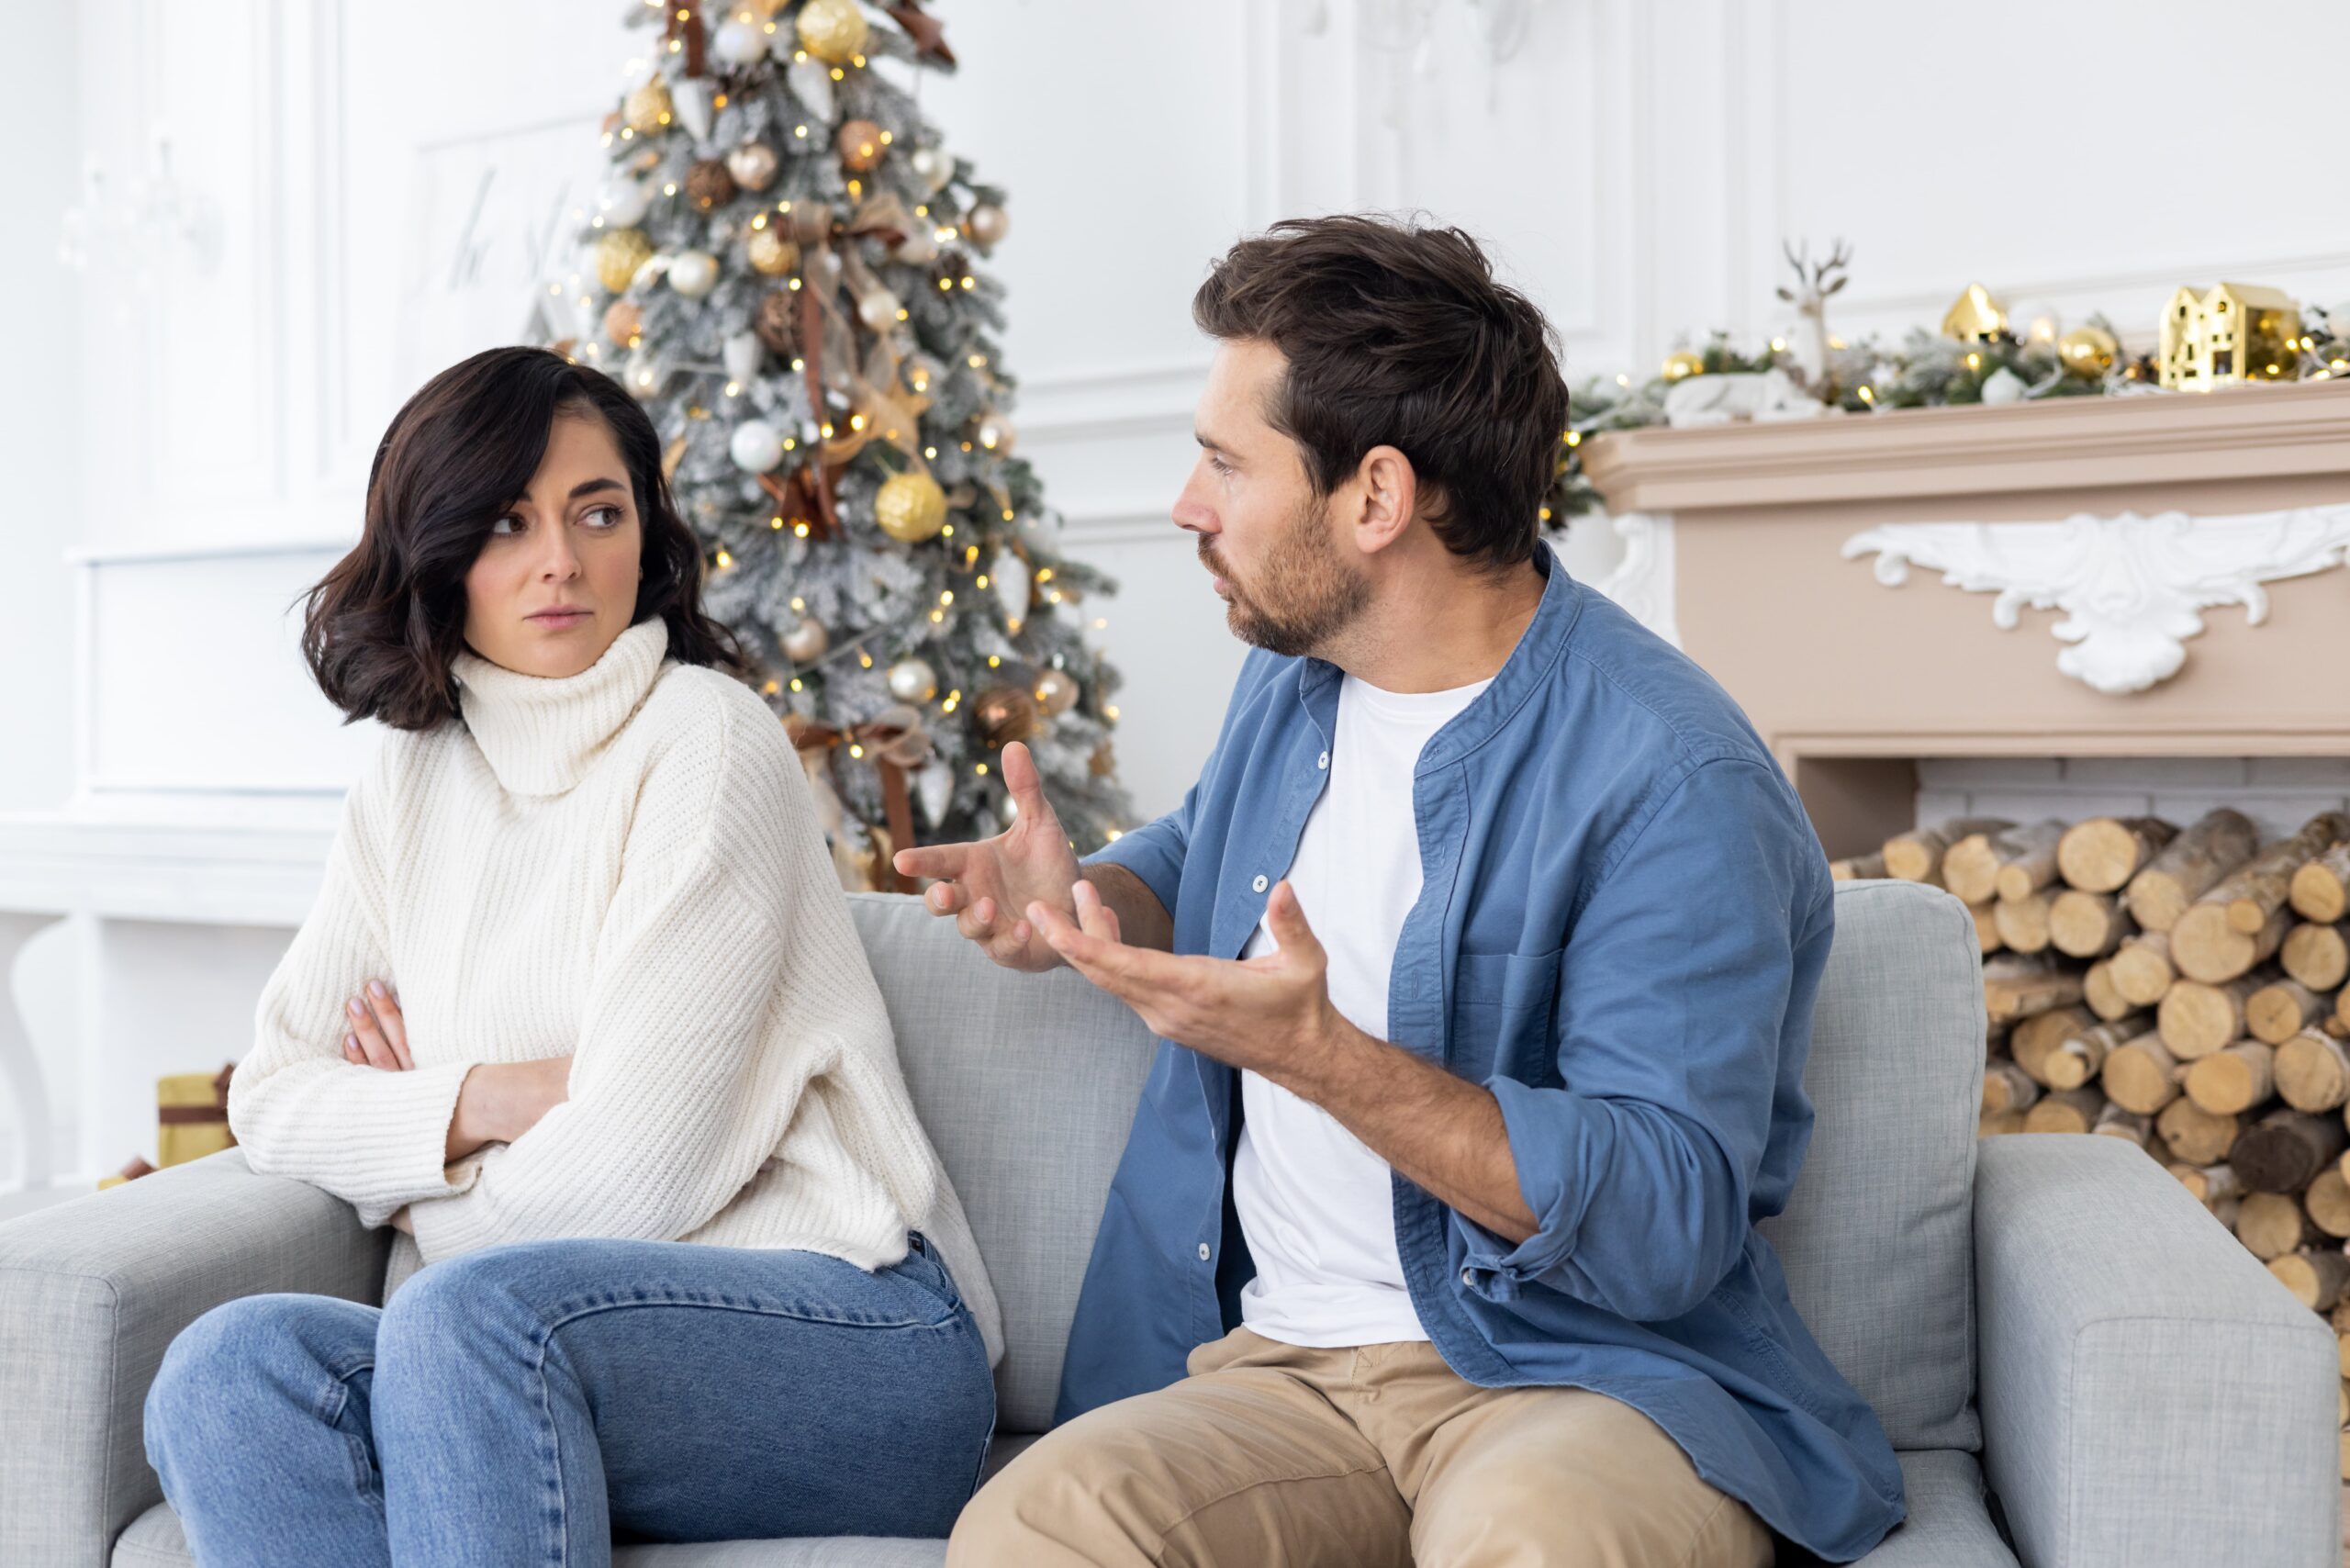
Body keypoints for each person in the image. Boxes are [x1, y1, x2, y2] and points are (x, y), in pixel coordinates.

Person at [908, 216, 1906, 1566]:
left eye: (1222, 464)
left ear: (1376, 499)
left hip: (1572, 1381)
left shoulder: (1674, 778)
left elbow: (1669, 1215)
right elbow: (1207, 857)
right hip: (1280, 1375)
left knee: (1536, 1543)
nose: (1187, 506)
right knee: (1036, 1529)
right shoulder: (1297, 675)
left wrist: (1325, 1061)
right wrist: (1081, 898)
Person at [141, 345, 1002, 1568]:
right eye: (507, 522)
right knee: (228, 1375)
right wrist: (497, 1097)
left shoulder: (707, 742)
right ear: (441, 553)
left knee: (463, 1320)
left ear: (643, 534)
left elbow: (634, 1180)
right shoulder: (409, 777)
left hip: (854, 1332)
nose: (561, 561)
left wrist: (411, 1151)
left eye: (597, 513)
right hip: (533, 1338)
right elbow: (272, 1095)